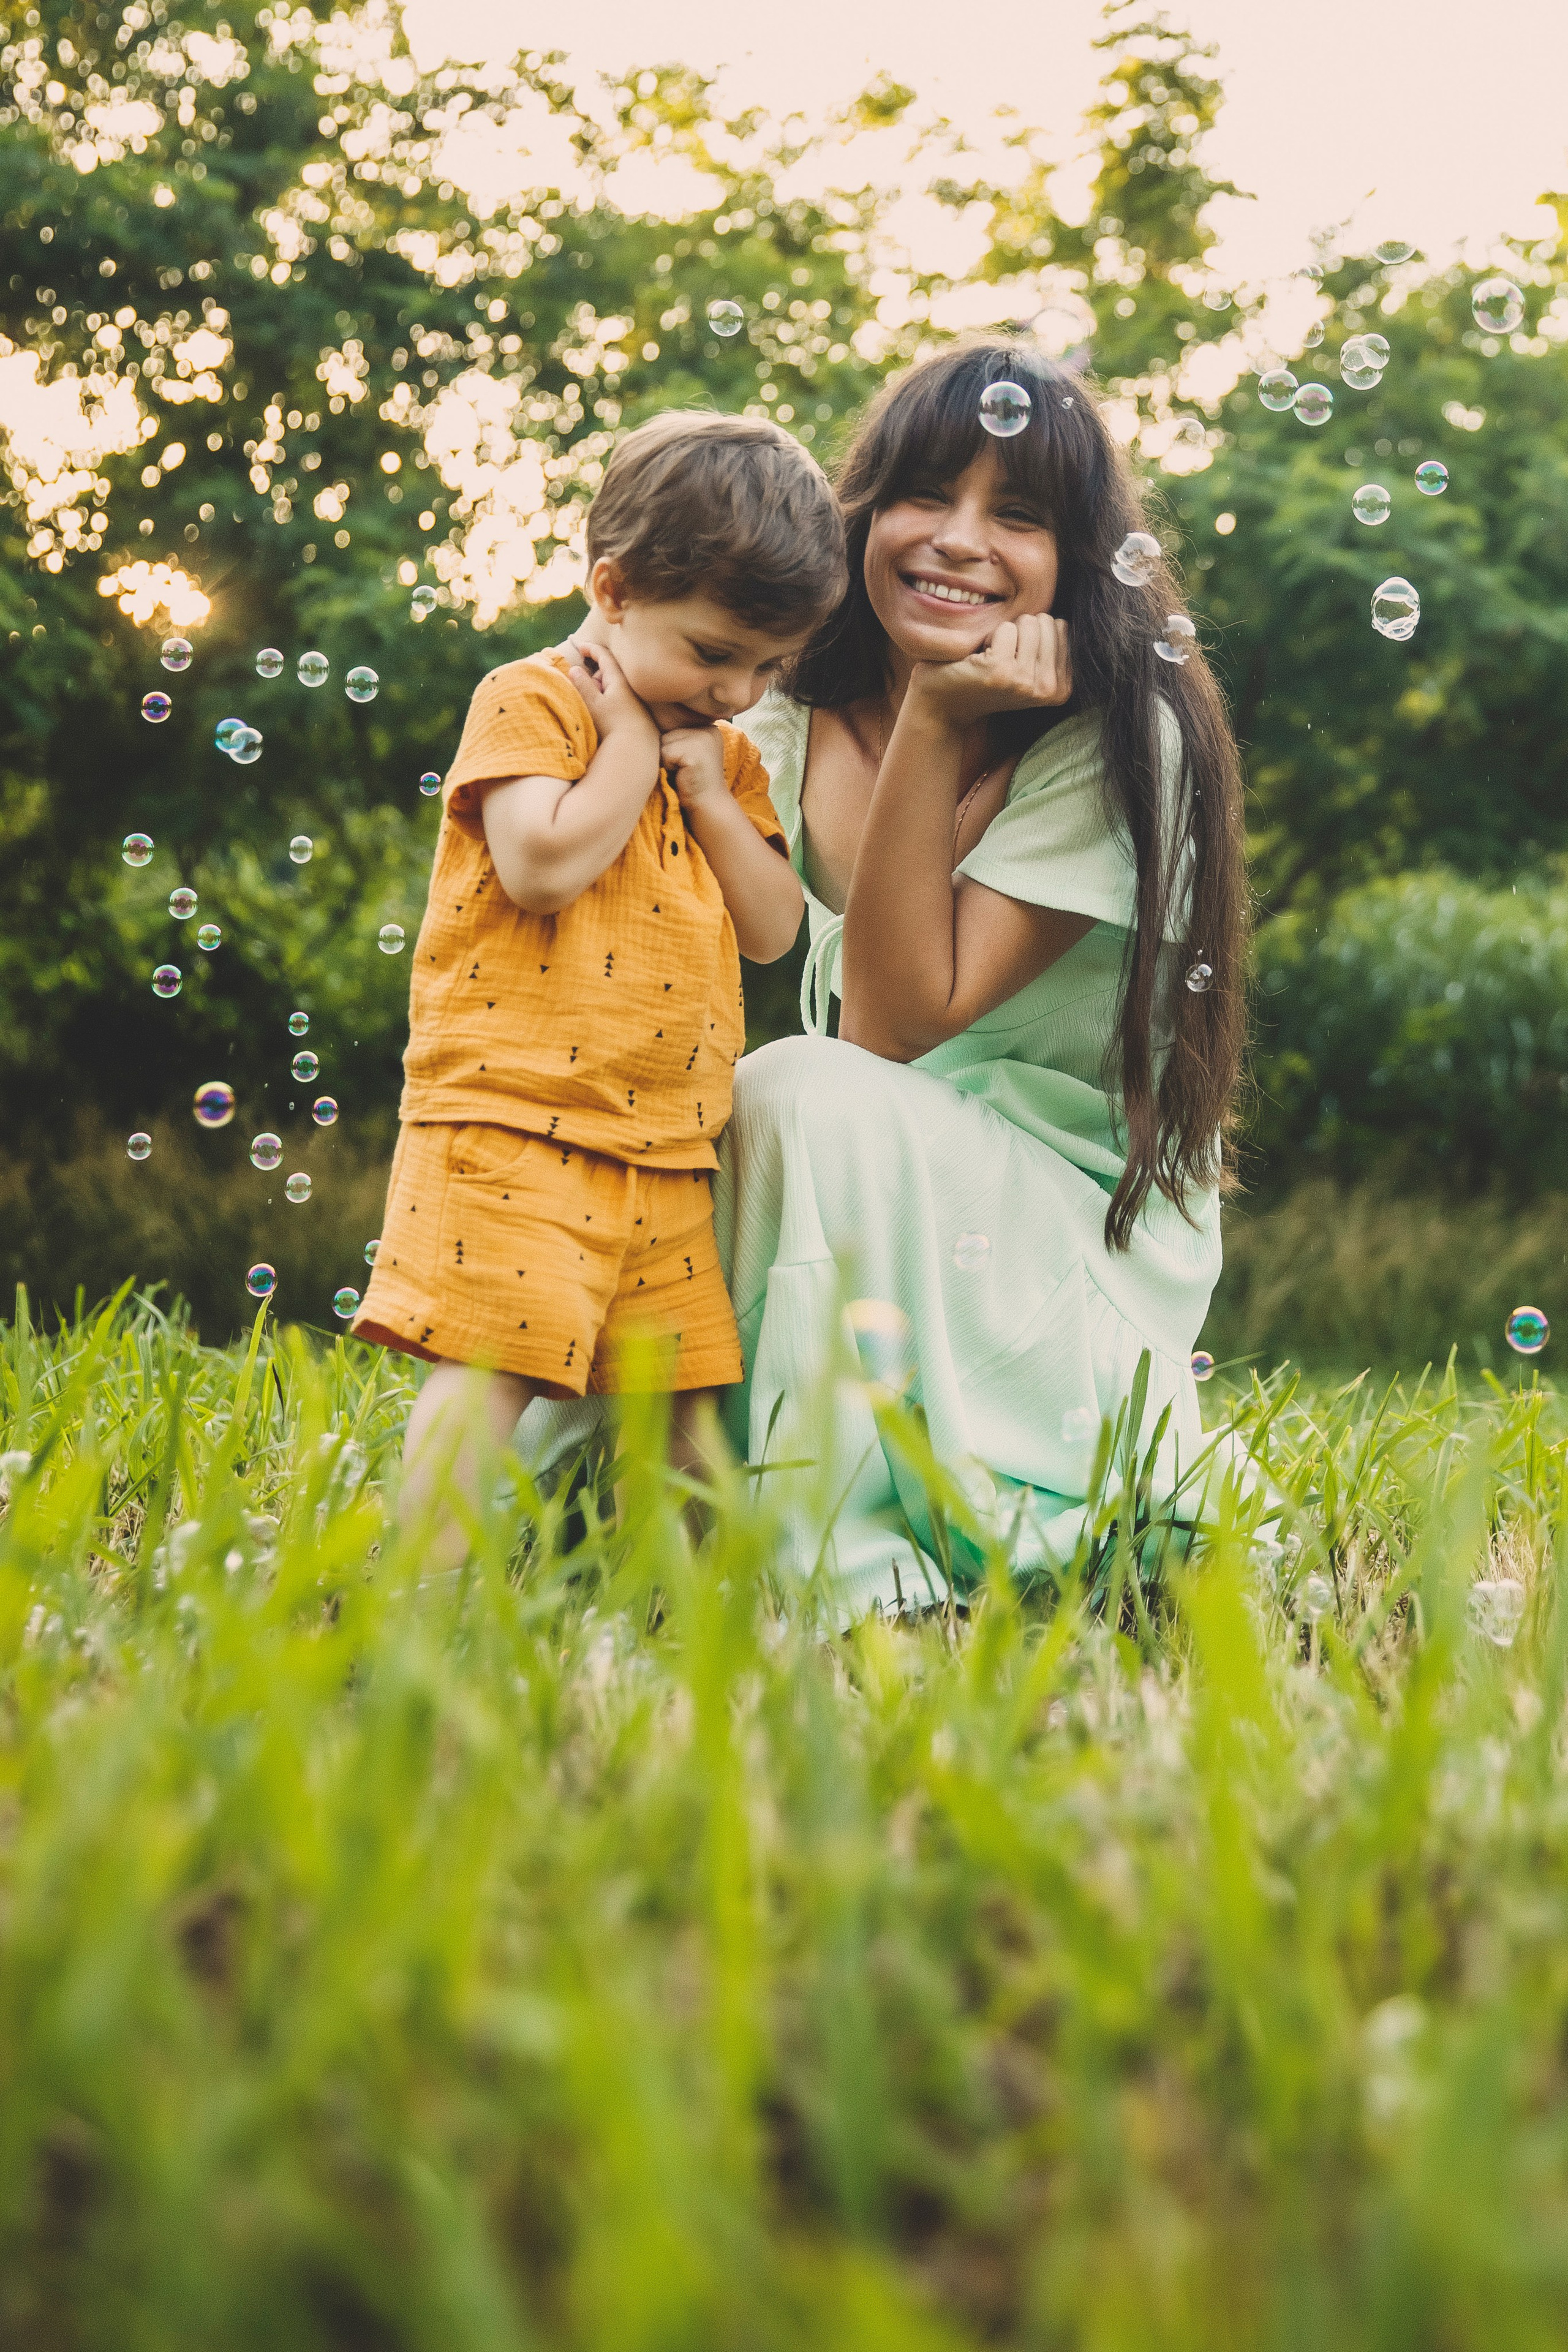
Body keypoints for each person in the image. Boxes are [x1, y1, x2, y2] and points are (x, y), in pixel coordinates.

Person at [715, 341, 1249, 1616]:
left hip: (1059, 1251)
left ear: (1071, 562)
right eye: (923, 498)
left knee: (793, 1088)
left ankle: (866, 1575)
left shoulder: (1125, 742)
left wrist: (939, 719)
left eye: (1016, 515)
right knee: (681, 1121)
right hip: (879, 1190)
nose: (958, 541)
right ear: (863, 515)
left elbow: (892, 1026)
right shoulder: (781, 717)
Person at [353, 410, 845, 1550]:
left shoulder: (722, 756)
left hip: (667, 1144)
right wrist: (628, 742)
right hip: (517, 1117)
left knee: (679, 1406)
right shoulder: (531, 700)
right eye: (714, 653)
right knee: (491, 1375)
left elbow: (776, 933)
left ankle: (688, 1612)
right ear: (612, 589)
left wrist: (713, 796)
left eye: (769, 666)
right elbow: (540, 864)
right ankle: (413, 1596)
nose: (736, 691)